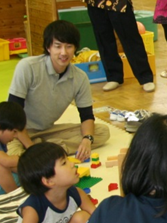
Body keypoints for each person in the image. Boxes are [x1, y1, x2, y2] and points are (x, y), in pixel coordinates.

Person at [7, 20, 110, 160]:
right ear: (48, 47)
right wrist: (31, 148)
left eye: (69, 46)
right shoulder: (28, 67)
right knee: (13, 158)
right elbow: (12, 115)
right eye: (58, 46)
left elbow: (86, 116)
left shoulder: (80, 78)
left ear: (75, 48)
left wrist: (87, 140)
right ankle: (48, 151)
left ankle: (46, 151)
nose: (64, 52)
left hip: (48, 131)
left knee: (102, 132)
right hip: (19, 131)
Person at [12, 142, 94, 223]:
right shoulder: (32, 208)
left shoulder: (77, 193)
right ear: (48, 181)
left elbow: (98, 217)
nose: (73, 164)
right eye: (64, 163)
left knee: (84, 219)